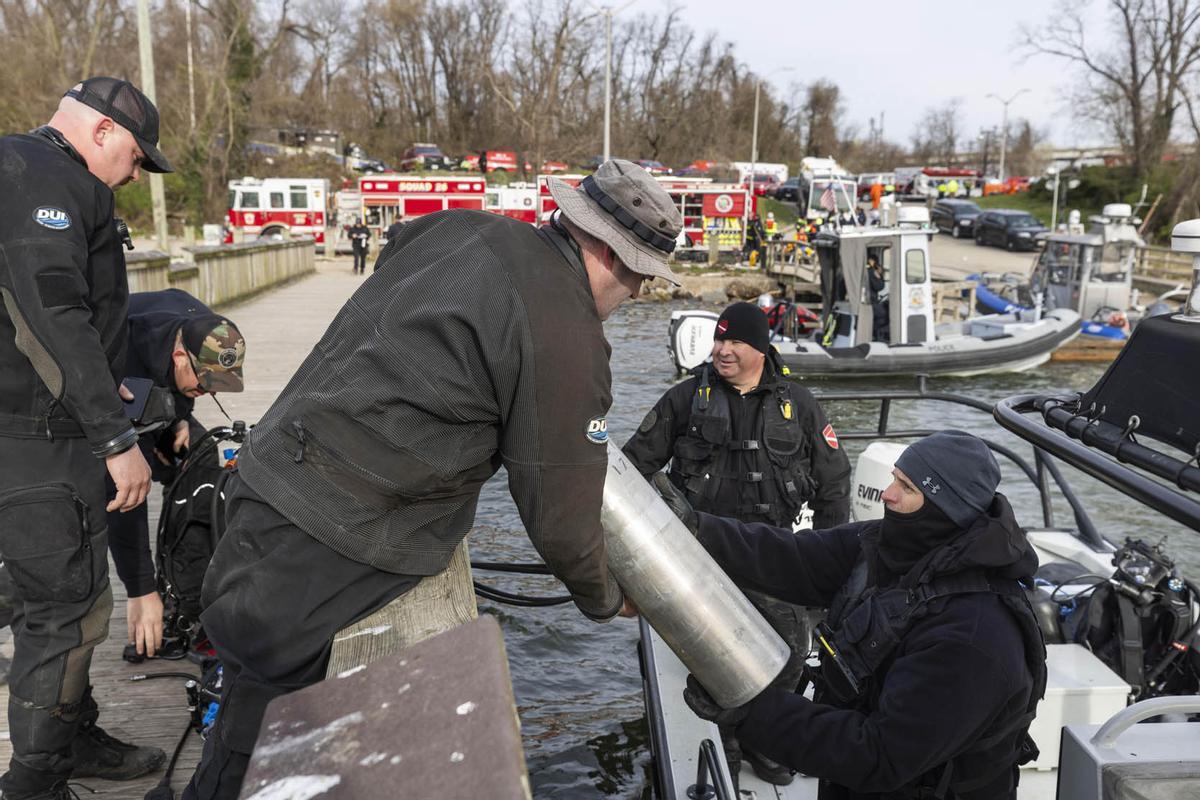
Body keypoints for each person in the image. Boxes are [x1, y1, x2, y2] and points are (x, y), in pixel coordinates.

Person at [181, 159, 684, 800]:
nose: (638, 293)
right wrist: (608, 597)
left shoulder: (459, 227)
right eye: (640, 276)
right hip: (332, 534)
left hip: (268, 470)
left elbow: (399, 262)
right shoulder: (567, 332)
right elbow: (560, 512)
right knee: (271, 718)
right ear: (614, 256)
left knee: (249, 680)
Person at [676, 431, 1047, 799]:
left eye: (907, 487)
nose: (887, 493)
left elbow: (879, 755)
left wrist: (751, 712)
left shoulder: (973, 636)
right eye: (894, 477)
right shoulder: (892, 545)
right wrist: (695, 529)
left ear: (944, 509)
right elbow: (793, 558)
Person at [0, 76, 173, 800]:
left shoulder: (17, 166)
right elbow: (54, 309)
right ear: (101, 131)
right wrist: (114, 437)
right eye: (135, 157)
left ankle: (73, 738)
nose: (134, 176)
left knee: (43, 586)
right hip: (38, 438)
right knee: (65, 613)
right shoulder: (51, 179)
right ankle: (36, 784)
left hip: (22, 426)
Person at [623, 301, 851, 787]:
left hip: (773, 553)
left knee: (791, 649)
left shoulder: (800, 405)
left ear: (761, 348)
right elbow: (632, 467)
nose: (723, 350)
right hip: (699, 555)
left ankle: (761, 740)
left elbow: (834, 483)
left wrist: (833, 562)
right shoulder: (685, 400)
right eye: (719, 340)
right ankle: (725, 744)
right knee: (715, 658)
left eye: (735, 342)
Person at [108, 289, 246, 659]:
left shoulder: (208, 329)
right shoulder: (121, 344)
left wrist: (181, 414)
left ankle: (187, 590)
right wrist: (139, 589)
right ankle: (148, 598)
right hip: (92, 405)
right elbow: (124, 495)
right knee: (125, 488)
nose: (206, 392)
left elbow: (186, 383)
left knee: (197, 457)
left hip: (154, 389)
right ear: (179, 356)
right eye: (203, 384)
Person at [867, 255, 890, 342]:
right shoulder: (871, 271)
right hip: (871, 303)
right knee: (885, 315)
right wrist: (880, 276)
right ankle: (878, 335)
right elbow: (879, 286)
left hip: (869, 301)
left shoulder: (866, 270)